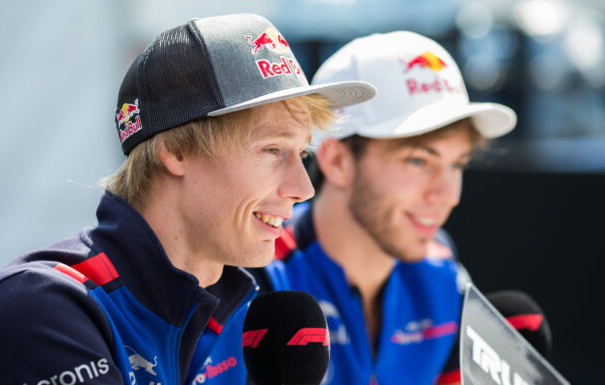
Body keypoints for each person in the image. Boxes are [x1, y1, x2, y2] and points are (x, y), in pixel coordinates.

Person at [0, 14, 375, 385]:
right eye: (271, 150)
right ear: (175, 151)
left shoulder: (251, 311)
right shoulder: (45, 307)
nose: (304, 188)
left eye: (301, 154)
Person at [198, 31, 515, 385]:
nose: (447, 194)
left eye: (457, 164)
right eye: (418, 161)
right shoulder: (250, 280)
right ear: (337, 162)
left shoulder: (443, 273)